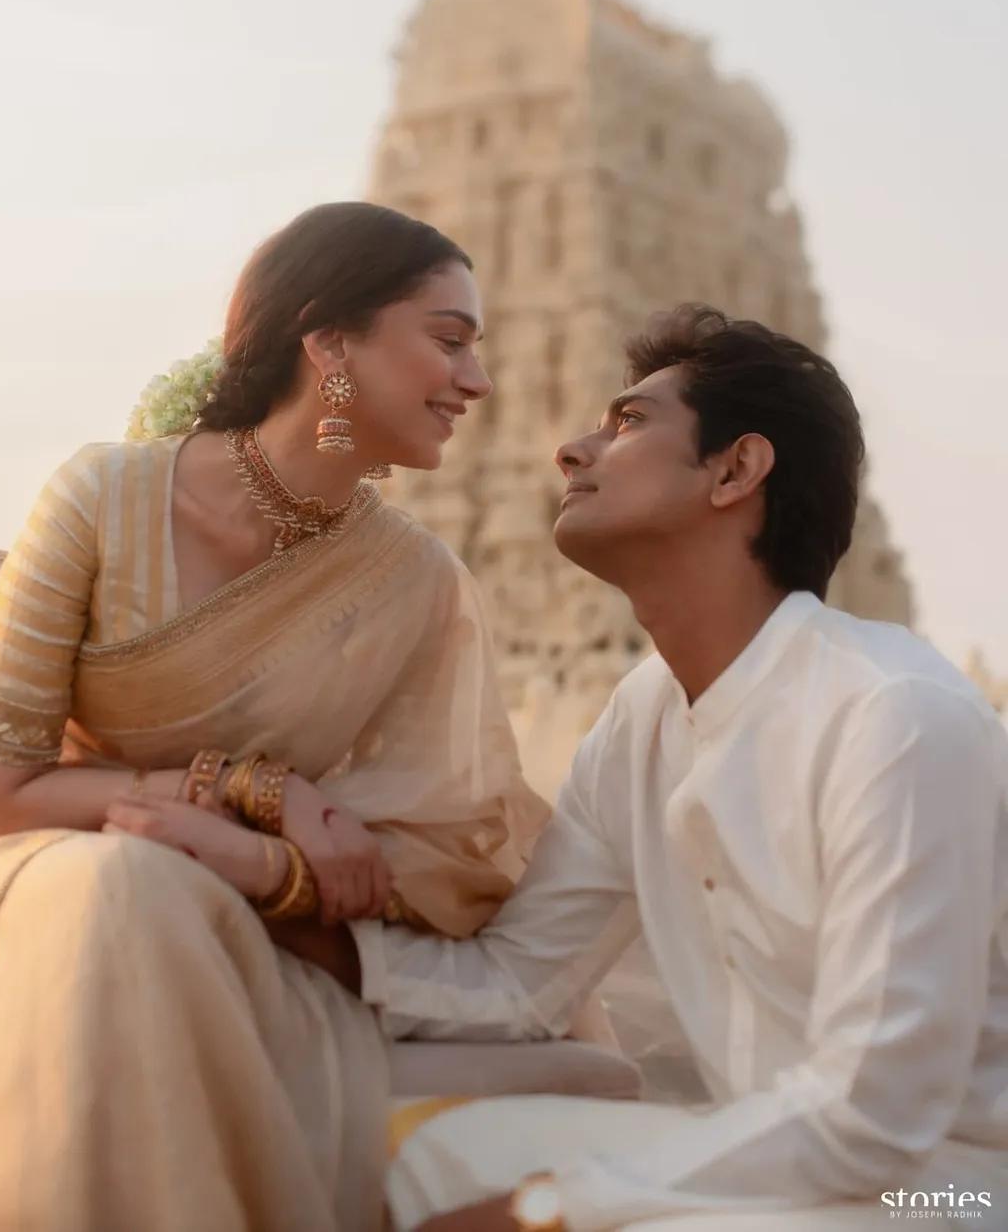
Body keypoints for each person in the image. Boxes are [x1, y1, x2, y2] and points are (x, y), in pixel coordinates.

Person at [286, 305, 1008, 1231]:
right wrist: (299, 930)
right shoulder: (645, 716)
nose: (571, 450)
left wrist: (552, 1206)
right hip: (782, 1147)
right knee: (415, 1154)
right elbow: (519, 986)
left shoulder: (895, 716)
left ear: (736, 470)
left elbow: (876, 1113)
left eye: (627, 423)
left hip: (944, 1186)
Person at [0, 202, 548, 1231]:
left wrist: (266, 862)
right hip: (29, 873)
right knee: (120, 884)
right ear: (330, 342)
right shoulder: (103, 497)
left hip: (246, 923)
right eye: (449, 341)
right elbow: (3, 795)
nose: (478, 381)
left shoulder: (415, 582)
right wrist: (257, 788)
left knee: (139, 892)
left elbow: (449, 846)